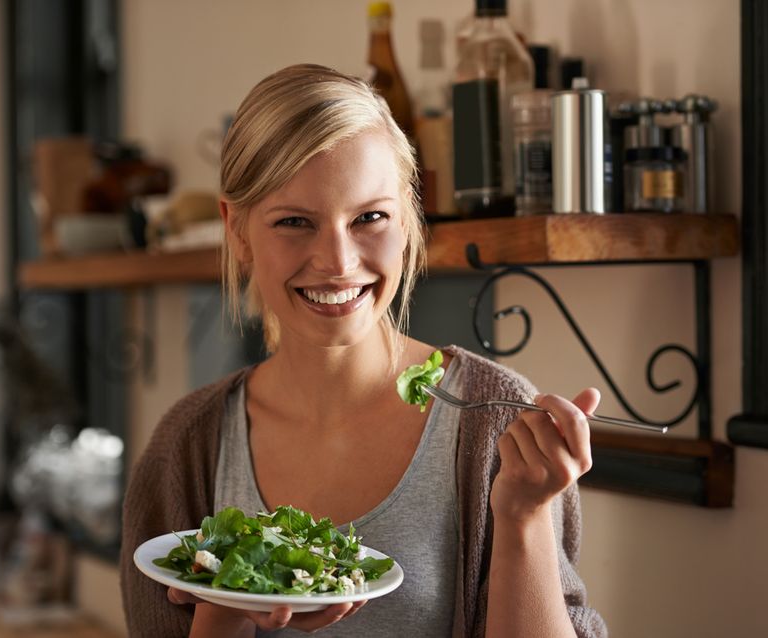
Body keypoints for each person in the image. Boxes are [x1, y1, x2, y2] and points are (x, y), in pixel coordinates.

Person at [120, 63, 607, 638]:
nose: (339, 261)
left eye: (370, 217)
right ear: (238, 230)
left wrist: (523, 517)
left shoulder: (494, 420)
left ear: (408, 220)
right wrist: (222, 602)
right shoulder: (186, 447)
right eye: (295, 221)